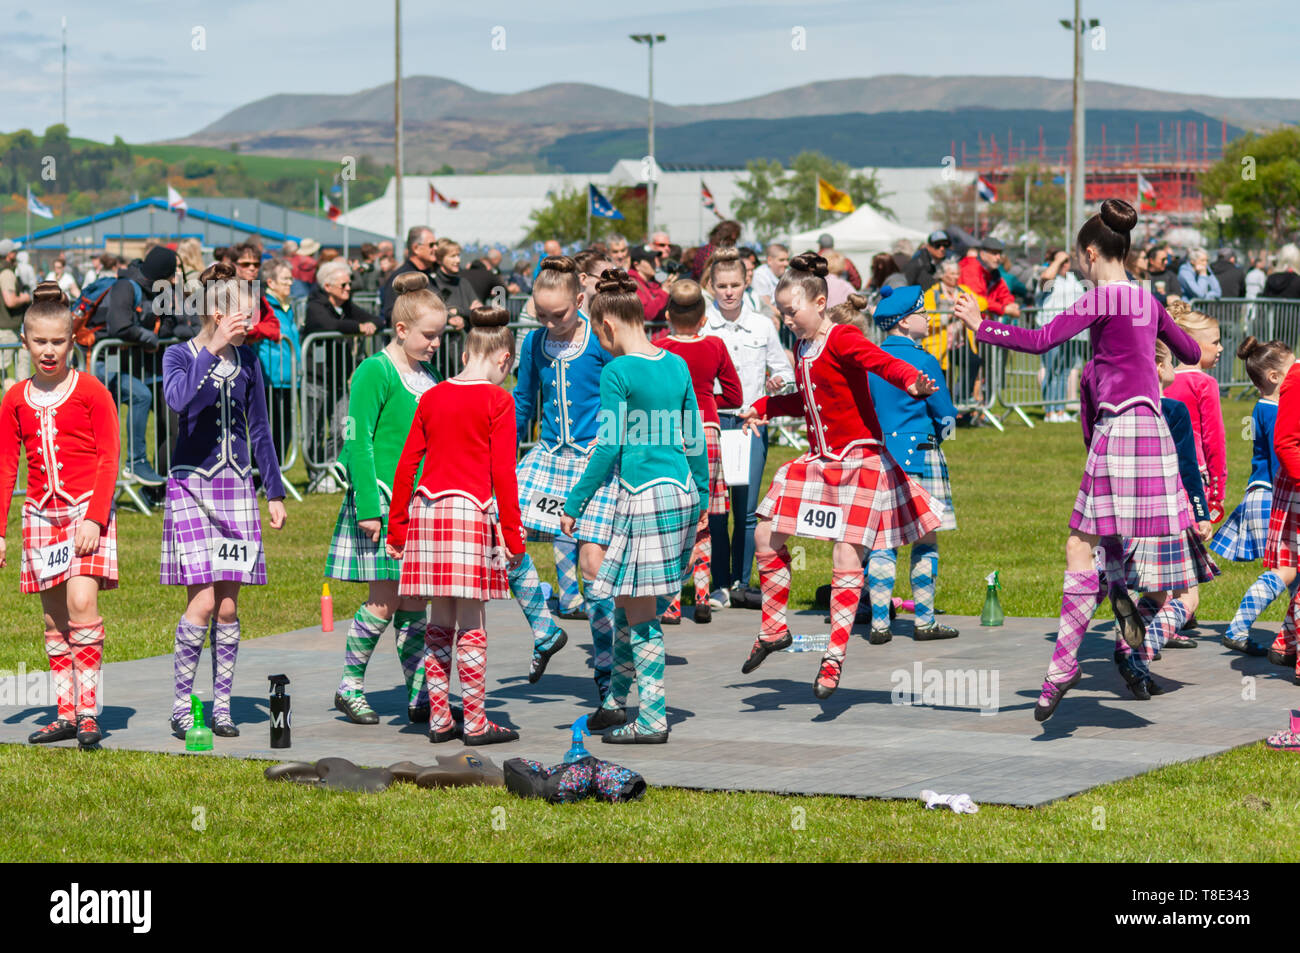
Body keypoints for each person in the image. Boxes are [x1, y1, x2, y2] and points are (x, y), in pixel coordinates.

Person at [954, 198, 1202, 722]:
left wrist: (983, 325)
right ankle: (1118, 601)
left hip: (1117, 427)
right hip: (1153, 430)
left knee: (1078, 542)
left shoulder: (1102, 299)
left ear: (1090, 253)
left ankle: (1065, 664)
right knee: (1113, 536)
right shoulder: (1146, 299)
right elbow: (1192, 354)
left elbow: (1041, 340)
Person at [738, 254, 943, 699]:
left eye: (792, 311)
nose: (787, 320)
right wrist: (763, 406)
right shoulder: (802, 347)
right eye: (782, 313)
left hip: (859, 463)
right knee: (766, 532)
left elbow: (880, 362)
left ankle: (833, 658)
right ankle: (774, 630)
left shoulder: (842, 337)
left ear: (819, 301)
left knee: (846, 558)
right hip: (821, 460)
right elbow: (811, 401)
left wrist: (912, 381)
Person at [560, 270, 709, 744]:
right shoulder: (676, 364)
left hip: (642, 496)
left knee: (640, 612)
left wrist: (575, 501)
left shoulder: (617, 371)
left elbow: (608, 445)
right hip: (681, 491)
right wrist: (703, 493)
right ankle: (615, 702)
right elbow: (694, 436)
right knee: (626, 601)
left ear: (605, 324)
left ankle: (652, 718)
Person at [386, 306, 524, 746]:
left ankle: (441, 717)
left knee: (439, 617)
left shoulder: (431, 396)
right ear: (503, 359)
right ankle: (477, 720)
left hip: (427, 511)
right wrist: (515, 537)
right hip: (471, 511)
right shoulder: (498, 400)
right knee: (473, 620)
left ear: (466, 353)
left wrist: (397, 528)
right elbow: (504, 473)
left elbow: (407, 465)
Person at [162, 262, 287, 740]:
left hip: (236, 490)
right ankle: (181, 705)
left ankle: (222, 706)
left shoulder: (250, 361)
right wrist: (211, 351)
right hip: (192, 486)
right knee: (203, 602)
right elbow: (180, 403)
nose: (250, 317)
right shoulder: (178, 354)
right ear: (216, 313)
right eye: (241, 308)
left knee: (229, 608)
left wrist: (273, 490)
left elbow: (260, 428)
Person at [0, 284, 120, 748]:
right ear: (26, 341)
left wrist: (95, 517)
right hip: (40, 518)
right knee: (54, 621)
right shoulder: (14, 399)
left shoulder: (90, 390)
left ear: (72, 341)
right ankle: (65, 713)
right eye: (40, 342)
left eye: (58, 341)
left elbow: (110, 457)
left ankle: (89, 713)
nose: (48, 351)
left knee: (82, 606)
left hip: (86, 513)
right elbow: (7, 466)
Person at [327, 272, 445, 726]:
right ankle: (349, 685)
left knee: (415, 601)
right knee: (384, 600)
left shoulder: (428, 374)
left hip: (418, 500)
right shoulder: (375, 371)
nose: (435, 343)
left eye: (439, 335)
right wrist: (369, 508)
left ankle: (419, 694)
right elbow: (359, 441)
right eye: (428, 335)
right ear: (401, 330)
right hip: (381, 498)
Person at [512, 257, 618, 695]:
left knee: (592, 563)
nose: (550, 323)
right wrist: (501, 456)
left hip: (593, 461)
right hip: (550, 457)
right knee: (499, 534)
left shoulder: (601, 341)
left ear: (580, 300)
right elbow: (523, 401)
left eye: (559, 315)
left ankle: (608, 666)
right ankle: (544, 628)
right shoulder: (534, 344)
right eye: (541, 315)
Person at [1111, 342, 1219, 698]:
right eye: (1171, 362)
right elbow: (1188, 468)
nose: (1175, 369)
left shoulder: (1117, 409)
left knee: (1153, 594)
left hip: (1126, 512)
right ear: (1157, 368)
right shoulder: (1173, 409)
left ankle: (1129, 651)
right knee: (1187, 599)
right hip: (1165, 513)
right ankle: (1138, 653)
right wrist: (1200, 514)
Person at [861, 286, 960, 642]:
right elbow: (945, 416)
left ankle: (879, 624)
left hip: (882, 457)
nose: (927, 318)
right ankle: (924, 620)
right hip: (923, 452)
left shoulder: (869, 359)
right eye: (922, 313)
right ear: (904, 323)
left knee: (882, 540)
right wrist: (947, 429)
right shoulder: (924, 359)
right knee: (925, 539)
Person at [703, 249, 793, 607]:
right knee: (715, 509)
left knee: (746, 507)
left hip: (749, 423)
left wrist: (777, 384)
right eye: (722, 285)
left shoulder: (761, 325)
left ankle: (742, 580)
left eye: (735, 284)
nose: (729, 292)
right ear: (711, 286)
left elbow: (783, 369)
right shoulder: (703, 326)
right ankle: (719, 584)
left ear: (746, 283)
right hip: (713, 422)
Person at [659, 279, 742, 625]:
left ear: (667, 315)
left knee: (672, 519)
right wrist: (708, 400)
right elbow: (735, 397)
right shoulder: (715, 345)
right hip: (706, 430)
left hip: (671, 431)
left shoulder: (659, 347)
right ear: (704, 317)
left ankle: (673, 601)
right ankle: (704, 595)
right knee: (703, 518)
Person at [1215, 338, 1297, 655]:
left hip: (1262, 493)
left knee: (1293, 573)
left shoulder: (1265, 408)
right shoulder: (1274, 411)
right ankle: (1237, 629)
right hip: (1271, 494)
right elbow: (1283, 459)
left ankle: (1288, 641)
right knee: (1284, 568)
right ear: (1275, 377)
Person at [94, 245, 182, 487]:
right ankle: (136, 461)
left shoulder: (157, 290)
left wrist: (167, 329)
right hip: (104, 362)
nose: (174, 280)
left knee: (174, 418)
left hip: (143, 367)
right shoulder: (126, 286)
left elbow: (167, 325)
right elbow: (118, 326)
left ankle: (163, 488)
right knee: (141, 396)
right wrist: (147, 337)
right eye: (171, 274)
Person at [303, 259, 379, 488]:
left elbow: (375, 319)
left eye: (349, 285)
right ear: (328, 287)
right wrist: (358, 327)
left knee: (344, 426)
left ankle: (331, 468)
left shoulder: (346, 305)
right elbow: (328, 325)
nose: (349, 289)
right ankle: (316, 473)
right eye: (344, 285)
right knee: (314, 428)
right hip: (316, 377)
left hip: (340, 378)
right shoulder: (315, 305)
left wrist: (367, 324)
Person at [1162, 300, 1226, 524]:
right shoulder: (1205, 384)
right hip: (1195, 473)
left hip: (1162, 466)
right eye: (1215, 342)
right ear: (1193, 344)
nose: (1220, 348)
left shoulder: (1162, 379)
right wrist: (1218, 491)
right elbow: (1214, 439)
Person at [921, 259, 986, 406]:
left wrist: (964, 304)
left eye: (957, 273)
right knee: (939, 379)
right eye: (952, 273)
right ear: (942, 275)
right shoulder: (932, 294)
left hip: (958, 342)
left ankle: (961, 396)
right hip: (938, 345)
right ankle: (938, 409)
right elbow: (927, 317)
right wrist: (948, 314)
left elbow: (982, 302)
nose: (956, 277)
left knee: (973, 360)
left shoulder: (963, 290)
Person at [1037, 249, 1088, 423]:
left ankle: (1060, 409)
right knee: (1052, 370)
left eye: (1067, 261)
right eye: (1062, 261)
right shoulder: (1050, 277)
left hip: (1071, 333)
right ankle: (1049, 410)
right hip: (1051, 330)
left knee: (1064, 371)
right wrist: (1057, 260)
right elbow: (1045, 279)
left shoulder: (1073, 279)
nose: (1066, 264)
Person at [959, 237, 1021, 320]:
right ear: (982, 254)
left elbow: (1003, 293)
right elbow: (977, 298)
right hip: (966, 323)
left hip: (980, 321)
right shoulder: (971, 268)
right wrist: (1003, 309)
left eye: (1000, 253)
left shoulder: (994, 272)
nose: (998, 257)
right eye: (994, 253)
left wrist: (1009, 304)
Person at [429, 238, 481, 330]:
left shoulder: (463, 283)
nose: (458, 260)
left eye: (458, 255)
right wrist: (468, 312)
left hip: (467, 341)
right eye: (452, 256)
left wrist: (457, 311)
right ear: (440, 259)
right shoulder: (433, 283)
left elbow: (479, 312)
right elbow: (436, 313)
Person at [628, 244, 668, 322]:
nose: (654, 264)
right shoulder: (631, 285)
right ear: (637, 265)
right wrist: (664, 292)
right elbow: (647, 314)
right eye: (649, 261)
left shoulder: (652, 283)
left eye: (654, 260)